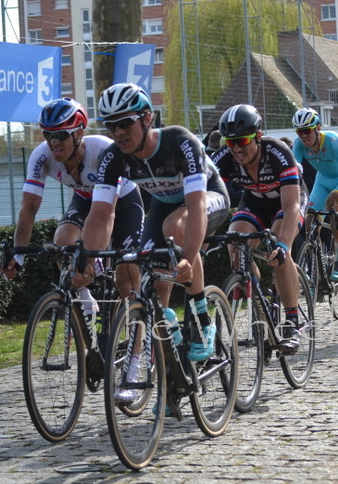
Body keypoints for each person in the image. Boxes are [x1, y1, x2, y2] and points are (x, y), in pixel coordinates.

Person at [74, 83, 230, 402]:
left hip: (208, 198)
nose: (118, 132)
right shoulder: (113, 156)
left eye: (125, 122)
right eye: (110, 124)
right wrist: (87, 257)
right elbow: (100, 215)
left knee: (177, 226)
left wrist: (187, 258)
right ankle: (170, 368)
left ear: (147, 118)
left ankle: (201, 319)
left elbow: (197, 206)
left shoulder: (179, 141)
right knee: (150, 279)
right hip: (164, 206)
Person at [0, 97, 145, 327]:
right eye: (48, 135)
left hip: (122, 203)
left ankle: (135, 359)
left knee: (126, 282)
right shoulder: (41, 156)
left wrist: (92, 254)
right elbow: (28, 208)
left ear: (78, 134)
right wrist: (18, 255)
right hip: (86, 198)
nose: (54, 142)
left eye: (61, 135)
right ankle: (86, 298)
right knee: (63, 242)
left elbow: (107, 214)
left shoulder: (103, 150)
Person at [211, 104, 307, 353]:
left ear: (258, 136)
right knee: (235, 241)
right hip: (254, 201)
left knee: (278, 247)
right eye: (230, 142)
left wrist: (284, 246)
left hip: (288, 201)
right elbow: (204, 200)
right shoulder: (223, 158)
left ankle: (291, 322)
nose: (236, 148)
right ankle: (259, 294)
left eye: (242, 140)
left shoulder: (277, 152)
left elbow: (291, 204)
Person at [291, 107, 338, 281]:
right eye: (300, 132)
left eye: (307, 131)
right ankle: (314, 258)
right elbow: (292, 175)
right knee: (310, 218)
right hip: (323, 180)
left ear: (318, 128)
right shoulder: (298, 145)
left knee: (333, 204)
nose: (303, 136)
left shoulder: (334, 142)